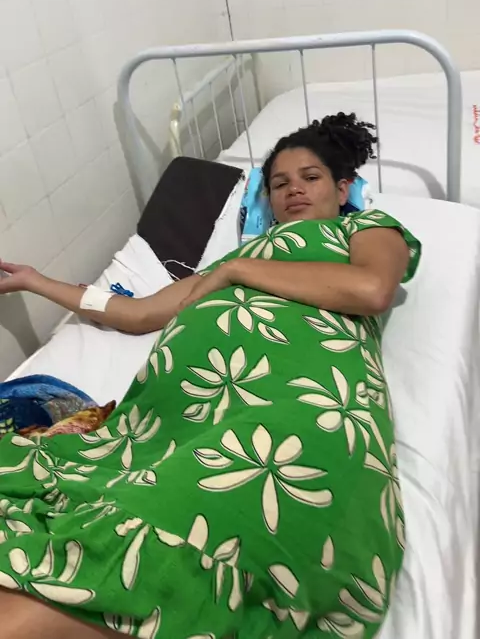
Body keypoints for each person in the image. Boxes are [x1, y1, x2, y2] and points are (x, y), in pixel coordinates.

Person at [0, 113, 420, 639]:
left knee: (231, 497)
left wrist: (236, 272)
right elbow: (135, 313)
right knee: (114, 506)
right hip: (182, 413)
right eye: (279, 184)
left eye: (310, 178)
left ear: (342, 189)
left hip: (304, 398)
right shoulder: (238, 255)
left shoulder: (361, 229)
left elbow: (372, 289)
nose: (293, 190)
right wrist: (38, 282)